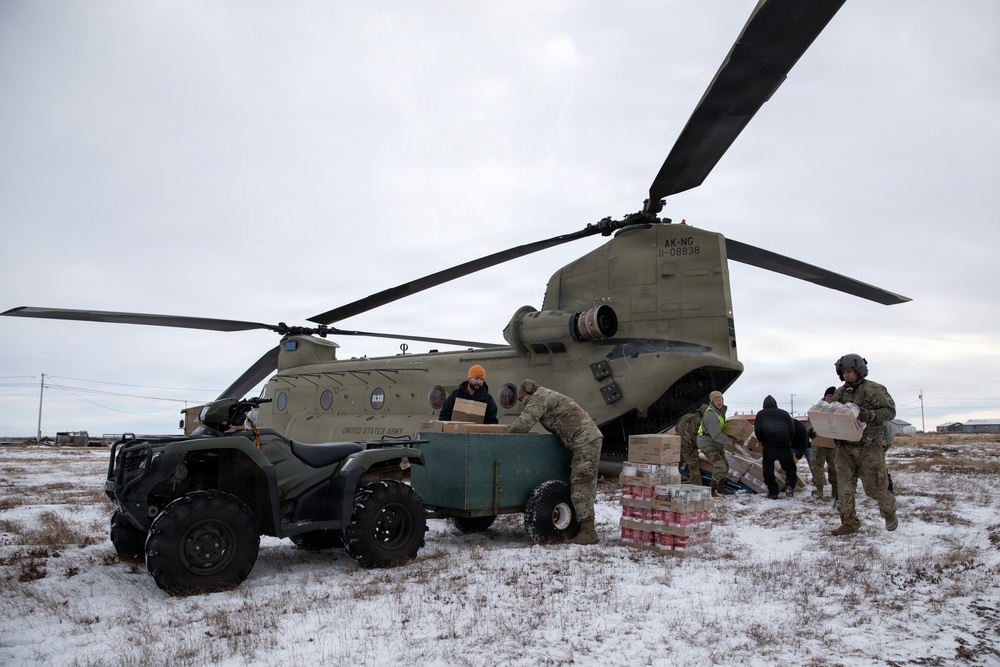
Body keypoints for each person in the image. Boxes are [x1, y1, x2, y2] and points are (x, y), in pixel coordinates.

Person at [508, 380, 603, 545]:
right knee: (583, 484)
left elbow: (522, 425)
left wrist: (504, 436)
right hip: (588, 440)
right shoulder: (547, 394)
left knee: (580, 485)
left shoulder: (537, 399)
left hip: (584, 442)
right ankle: (585, 527)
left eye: (522, 400)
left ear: (526, 395)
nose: (523, 403)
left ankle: (589, 533)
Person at [830, 354, 898, 536]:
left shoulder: (874, 389)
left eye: (850, 371)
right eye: (844, 372)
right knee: (844, 488)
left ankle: (889, 511)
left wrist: (869, 415)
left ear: (859, 370)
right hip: (845, 447)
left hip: (869, 446)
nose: (847, 375)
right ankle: (849, 522)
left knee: (874, 487)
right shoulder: (840, 393)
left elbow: (890, 411)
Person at [754, 395, 798, 499]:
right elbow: (792, 429)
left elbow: (758, 430)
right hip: (784, 445)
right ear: (775, 404)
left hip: (769, 446)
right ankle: (790, 486)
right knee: (790, 468)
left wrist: (761, 440)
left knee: (768, 470)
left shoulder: (761, 414)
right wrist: (788, 440)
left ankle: (773, 492)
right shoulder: (784, 413)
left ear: (764, 405)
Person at [696, 391, 735, 497]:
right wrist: (730, 441)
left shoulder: (720, 412)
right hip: (707, 444)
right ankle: (712, 490)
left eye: (720, 399)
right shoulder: (711, 415)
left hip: (716, 443)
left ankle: (721, 488)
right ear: (712, 402)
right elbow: (717, 436)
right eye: (716, 400)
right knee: (720, 467)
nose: (719, 402)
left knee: (725, 467)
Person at [810, 386, 840, 506]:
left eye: (832, 397)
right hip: (819, 442)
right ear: (825, 396)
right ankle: (819, 491)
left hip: (834, 443)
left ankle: (836, 492)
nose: (830, 399)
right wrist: (810, 430)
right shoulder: (817, 407)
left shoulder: (839, 408)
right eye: (828, 396)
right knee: (817, 466)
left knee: (835, 466)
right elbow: (810, 421)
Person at [676, 406, 706, 486]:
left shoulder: (686, 416)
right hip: (688, 445)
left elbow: (677, 427)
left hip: (677, 442)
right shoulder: (699, 420)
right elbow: (697, 436)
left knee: (676, 463)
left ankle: (672, 482)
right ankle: (697, 487)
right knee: (694, 467)